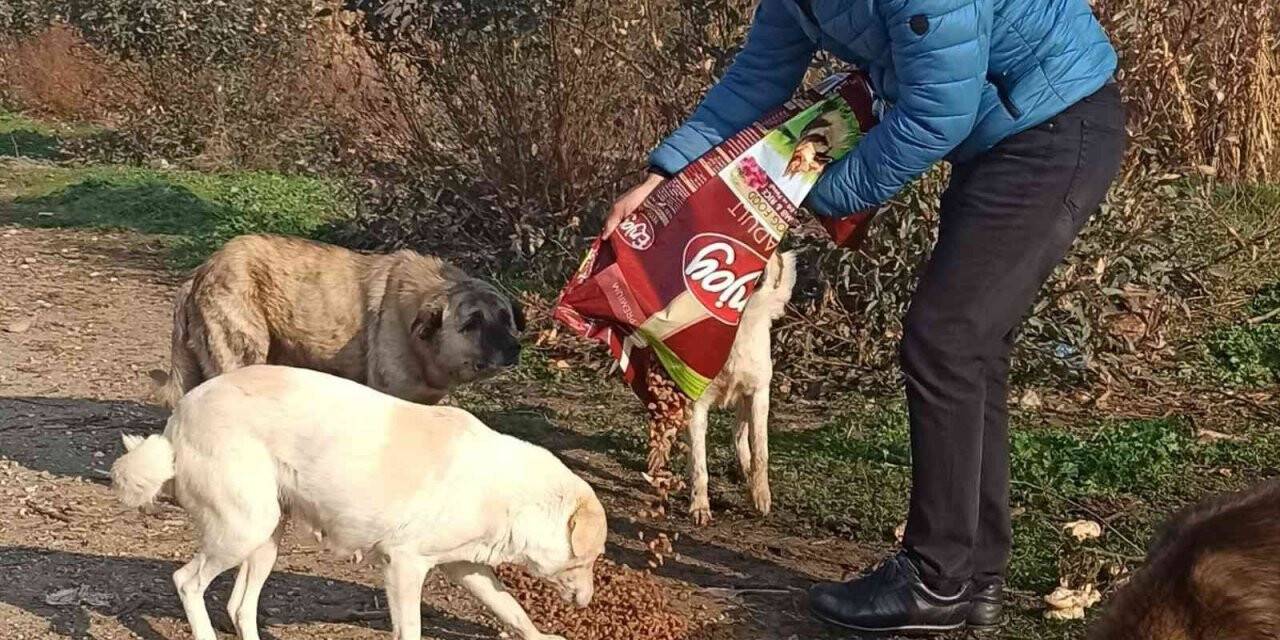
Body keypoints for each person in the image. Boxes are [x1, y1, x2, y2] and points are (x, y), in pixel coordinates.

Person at [603, 0, 1125, 633]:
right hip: (1003, 133)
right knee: (969, 349)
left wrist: (803, 194)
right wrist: (665, 176)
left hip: (1055, 129)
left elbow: (939, 111)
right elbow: (756, 77)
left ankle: (935, 578)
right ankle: (971, 577)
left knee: (948, 343)